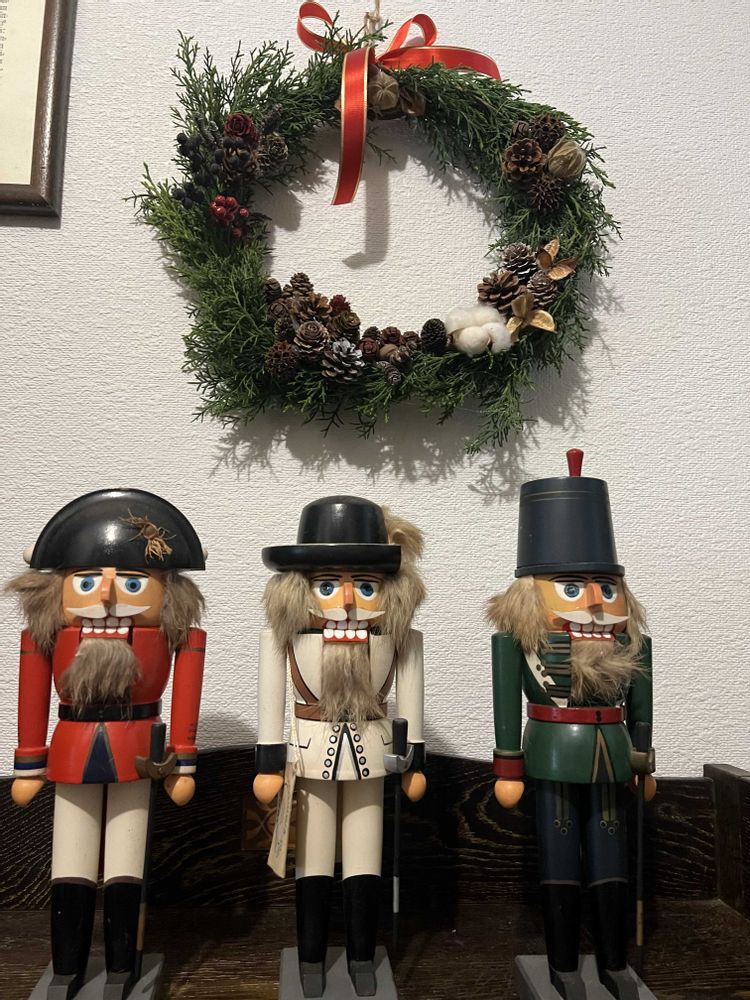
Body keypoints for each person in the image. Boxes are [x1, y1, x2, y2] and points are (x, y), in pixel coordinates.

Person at [7, 488, 207, 1000]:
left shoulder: (175, 637)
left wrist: (183, 761)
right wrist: (29, 763)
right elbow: (32, 694)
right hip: (71, 746)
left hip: (139, 748)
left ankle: (122, 965)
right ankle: (66, 964)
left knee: (127, 857)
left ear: (169, 593)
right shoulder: (47, 637)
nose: (106, 596)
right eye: (88, 581)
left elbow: (186, 695)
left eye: (133, 583)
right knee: (70, 857)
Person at [488, 451, 655, 1000]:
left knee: (610, 854)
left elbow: (642, 706)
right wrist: (507, 765)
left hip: (614, 754)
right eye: (570, 586)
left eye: (605, 587)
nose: (592, 601)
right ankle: (563, 964)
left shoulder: (633, 643)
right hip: (552, 751)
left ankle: (614, 962)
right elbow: (506, 704)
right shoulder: (517, 643)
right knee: (558, 853)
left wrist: (644, 760)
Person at [254, 495, 427, 997]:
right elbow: (271, 703)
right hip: (308, 757)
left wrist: (415, 761)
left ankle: (362, 956)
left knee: (365, 855)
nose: (348, 599)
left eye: (366, 585)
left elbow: (410, 702)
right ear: (298, 590)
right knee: (312, 855)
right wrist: (268, 761)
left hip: (374, 756)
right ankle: (310, 955)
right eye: (327, 585)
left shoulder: (400, 641)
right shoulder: (283, 641)